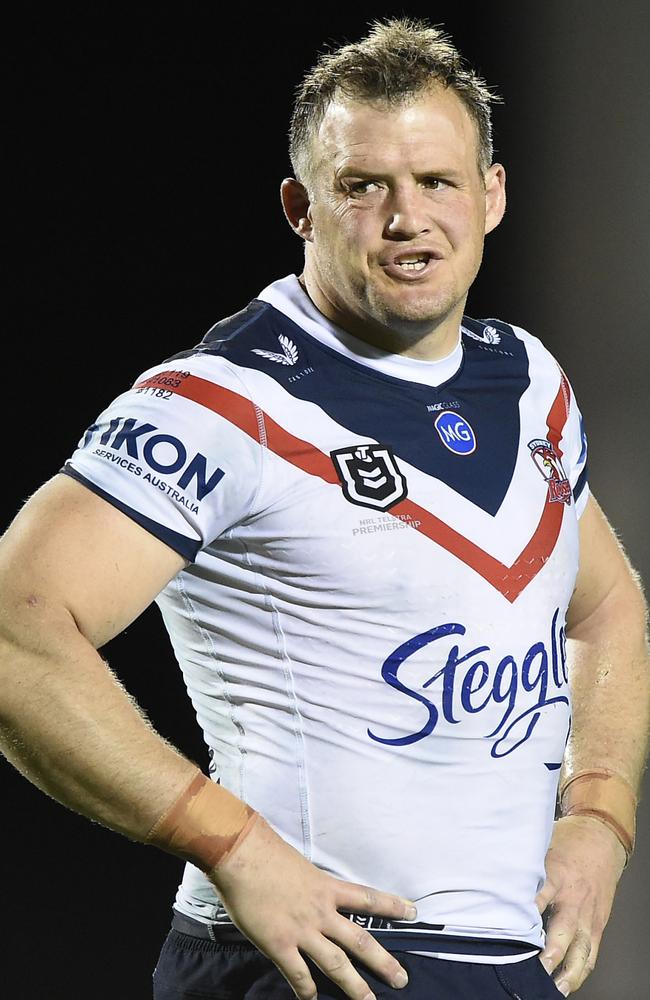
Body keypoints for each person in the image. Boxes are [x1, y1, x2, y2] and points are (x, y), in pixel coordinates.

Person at [0, 17, 647, 1000]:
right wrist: (229, 843)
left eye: (435, 181)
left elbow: (603, 608)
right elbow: (14, 626)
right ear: (301, 207)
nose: (406, 216)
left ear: (491, 195)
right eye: (363, 186)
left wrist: (597, 817)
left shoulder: (529, 383)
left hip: (506, 965)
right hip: (316, 964)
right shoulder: (226, 400)